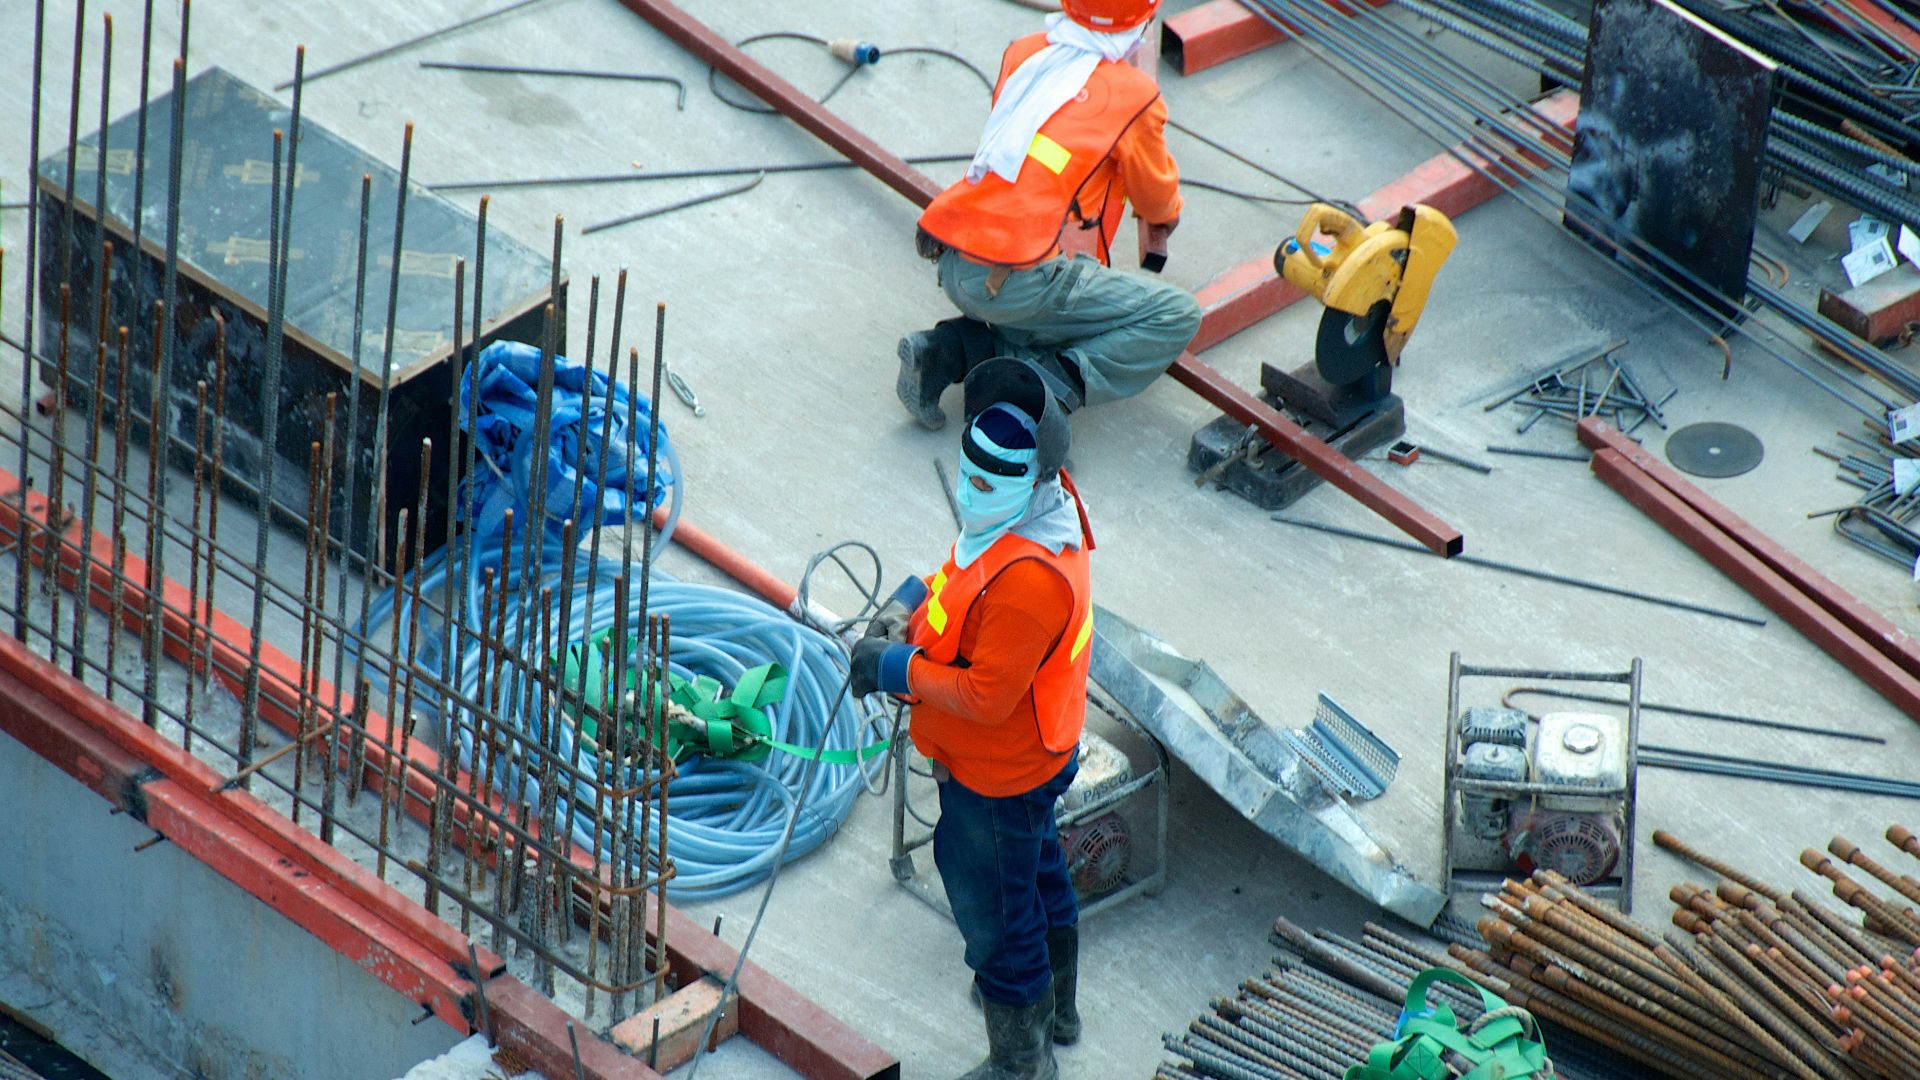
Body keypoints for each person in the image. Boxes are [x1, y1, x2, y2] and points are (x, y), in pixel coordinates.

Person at [852, 360, 1095, 1079]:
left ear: (1033, 480)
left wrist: (895, 669)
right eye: (966, 474)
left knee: (996, 914)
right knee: (1036, 869)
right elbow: (963, 581)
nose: (969, 492)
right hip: (1036, 754)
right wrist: (907, 601)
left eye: (987, 485)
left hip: (999, 774)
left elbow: (987, 696)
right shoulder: (1030, 517)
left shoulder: (1030, 581)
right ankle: (1056, 1011)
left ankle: (1022, 1061)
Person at [896, 0, 1202, 431]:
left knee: (1047, 317)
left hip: (954, 252)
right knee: (1175, 314)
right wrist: (1167, 213)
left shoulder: (1025, 52)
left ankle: (946, 352)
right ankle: (1034, 391)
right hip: (1019, 278)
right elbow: (1155, 200)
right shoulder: (1134, 95)